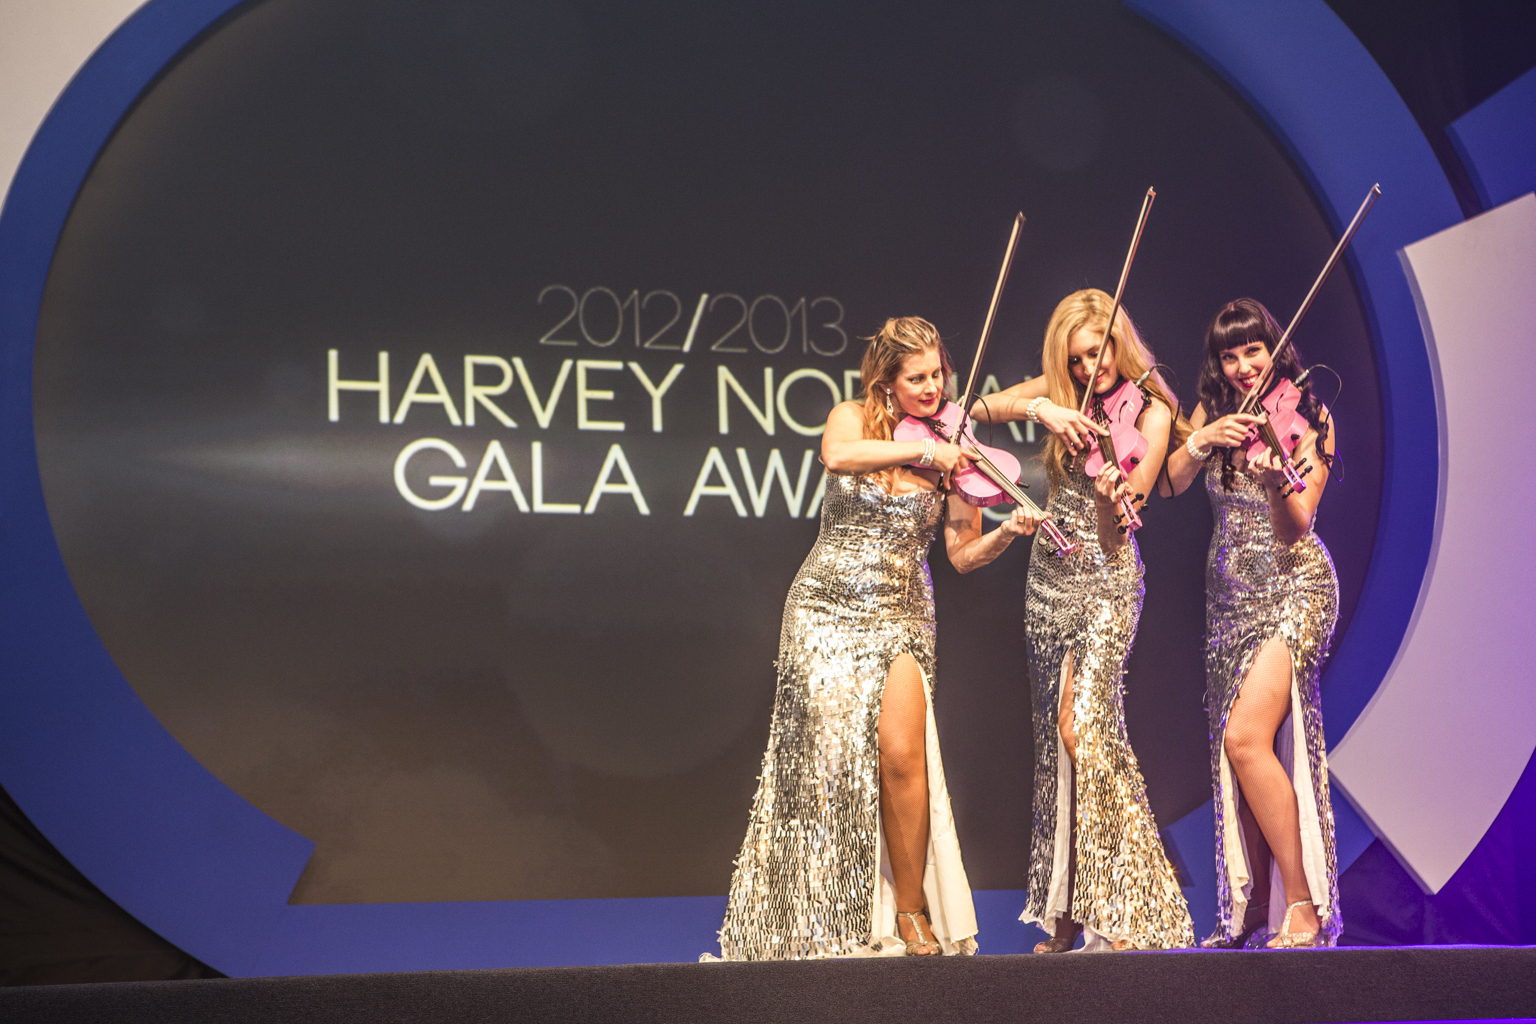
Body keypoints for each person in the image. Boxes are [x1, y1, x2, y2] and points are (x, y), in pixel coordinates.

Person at [711, 317, 1047, 960]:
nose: (932, 388)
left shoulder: (955, 448)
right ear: (886, 382)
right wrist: (923, 453)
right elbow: (838, 457)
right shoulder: (852, 420)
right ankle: (818, 914)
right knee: (824, 763)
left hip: (902, 612)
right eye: (916, 378)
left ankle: (912, 911)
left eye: (938, 375)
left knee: (901, 754)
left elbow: (961, 554)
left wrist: (1005, 533)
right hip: (822, 609)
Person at [974, 288, 1194, 952]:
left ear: (1120, 345)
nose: (1088, 370)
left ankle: (1140, 906)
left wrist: (1107, 502)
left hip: (1107, 579)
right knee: (1056, 747)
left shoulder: (1152, 410)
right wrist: (1041, 405)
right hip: (1048, 579)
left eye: (1098, 354)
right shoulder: (1063, 390)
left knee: (1086, 732)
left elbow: (1122, 529)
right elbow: (974, 410)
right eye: (1075, 361)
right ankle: (1069, 913)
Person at [1160, 297, 1340, 948]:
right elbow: (1169, 484)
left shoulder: (1309, 417)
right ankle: (1256, 904)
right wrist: (1201, 439)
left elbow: (1296, 530)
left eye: (1253, 351)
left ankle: (1303, 905)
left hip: (1294, 590)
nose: (1243, 366)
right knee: (1236, 757)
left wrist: (1273, 484)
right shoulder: (1215, 410)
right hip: (1228, 603)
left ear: (1275, 349)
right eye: (1230, 355)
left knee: (1245, 739)